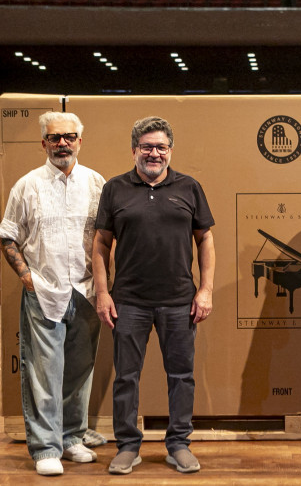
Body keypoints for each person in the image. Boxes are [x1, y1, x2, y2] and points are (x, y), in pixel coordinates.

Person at [92, 116, 215, 475]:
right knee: (126, 377)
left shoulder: (189, 187)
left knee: (181, 376)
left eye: (161, 146)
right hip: (128, 301)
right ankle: (128, 446)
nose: (154, 153)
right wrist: (103, 292)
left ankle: (179, 445)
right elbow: (100, 243)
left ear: (170, 150)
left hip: (179, 301)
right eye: (147, 146)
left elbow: (205, 238)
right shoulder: (115, 189)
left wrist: (205, 290)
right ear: (134, 151)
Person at [0, 111, 105, 476]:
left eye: (69, 136)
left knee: (79, 370)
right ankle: (45, 447)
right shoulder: (27, 185)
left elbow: (107, 236)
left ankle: (72, 438)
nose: (63, 143)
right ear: (43, 142)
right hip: (43, 291)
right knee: (43, 373)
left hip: (87, 291)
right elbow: (8, 234)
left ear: (79, 140)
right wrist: (26, 277)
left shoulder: (96, 184)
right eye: (55, 138)